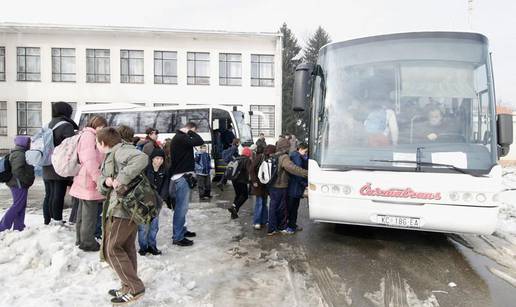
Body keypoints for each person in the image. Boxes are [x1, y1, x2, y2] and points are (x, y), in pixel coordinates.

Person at [97, 127, 147, 304]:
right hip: (121, 207)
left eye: (98, 143)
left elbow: (142, 158)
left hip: (123, 209)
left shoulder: (121, 151)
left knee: (112, 249)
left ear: (103, 143)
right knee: (125, 247)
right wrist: (106, 181)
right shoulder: (112, 155)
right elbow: (101, 180)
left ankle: (135, 287)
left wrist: (121, 178)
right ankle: (128, 285)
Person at [70, 116, 107, 252]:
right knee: (89, 215)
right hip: (89, 180)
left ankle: (80, 240)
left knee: (82, 213)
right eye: (101, 126)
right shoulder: (89, 136)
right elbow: (90, 160)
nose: (102, 129)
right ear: (94, 125)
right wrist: (98, 179)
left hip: (85, 179)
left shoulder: (88, 135)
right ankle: (87, 242)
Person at [168, 122, 204, 247]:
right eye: (194, 131)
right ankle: (178, 237)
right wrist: (190, 131)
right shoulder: (181, 137)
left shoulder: (181, 138)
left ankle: (181, 231)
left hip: (183, 176)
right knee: (180, 209)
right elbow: (200, 141)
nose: (194, 134)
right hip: (181, 177)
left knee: (183, 208)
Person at [43, 101, 78, 225]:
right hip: (60, 164)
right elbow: (72, 145)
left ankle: (47, 220)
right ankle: (56, 220)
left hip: (46, 163)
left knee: (49, 194)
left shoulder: (47, 124)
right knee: (58, 194)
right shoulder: (66, 126)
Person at [268, 138, 308, 236]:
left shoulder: (275, 155)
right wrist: (306, 173)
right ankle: (280, 227)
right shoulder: (284, 157)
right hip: (280, 185)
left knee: (273, 206)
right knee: (281, 208)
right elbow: (292, 168)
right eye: (288, 146)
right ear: (285, 147)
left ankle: (272, 227)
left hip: (272, 185)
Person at [0, 136, 35, 232]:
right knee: (18, 205)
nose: (29, 145)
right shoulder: (19, 154)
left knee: (21, 205)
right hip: (18, 183)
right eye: (28, 143)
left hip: (18, 183)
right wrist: (26, 180)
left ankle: (19, 226)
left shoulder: (20, 153)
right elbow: (17, 170)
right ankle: (3, 226)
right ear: (23, 143)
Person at [138, 148, 168, 256]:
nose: (159, 161)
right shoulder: (145, 169)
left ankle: (152, 246)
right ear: (152, 159)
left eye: (161, 159)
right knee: (143, 226)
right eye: (157, 158)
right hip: (144, 202)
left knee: (154, 226)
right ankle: (143, 247)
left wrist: (161, 198)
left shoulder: (164, 171)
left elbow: (165, 186)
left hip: (157, 202)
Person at [286, 143, 309, 234]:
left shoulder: (298, 156)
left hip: (295, 188)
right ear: (300, 149)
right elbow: (298, 174)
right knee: (292, 208)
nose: (306, 153)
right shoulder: (296, 157)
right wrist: (305, 184)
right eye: (305, 151)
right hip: (294, 187)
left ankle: (292, 225)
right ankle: (290, 226)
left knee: (294, 208)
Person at [227, 147, 253, 219]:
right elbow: (249, 171)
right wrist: (251, 180)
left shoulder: (237, 158)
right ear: (248, 153)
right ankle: (234, 207)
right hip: (242, 180)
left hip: (234, 180)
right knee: (245, 195)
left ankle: (234, 213)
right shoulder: (247, 160)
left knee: (238, 195)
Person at [249, 144, 270, 230]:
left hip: (264, 185)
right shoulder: (260, 157)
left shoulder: (267, 158)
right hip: (258, 184)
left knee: (264, 203)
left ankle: (264, 221)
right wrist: (254, 181)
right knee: (259, 203)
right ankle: (257, 222)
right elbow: (251, 169)